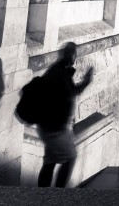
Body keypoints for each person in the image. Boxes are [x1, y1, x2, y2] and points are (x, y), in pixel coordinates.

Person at [37, 41, 94, 188]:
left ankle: (41, 196)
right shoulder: (59, 72)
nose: (75, 58)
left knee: (50, 161)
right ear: (71, 55)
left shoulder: (59, 69)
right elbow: (70, 93)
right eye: (74, 54)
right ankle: (59, 196)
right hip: (54, 127)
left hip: (49, 125)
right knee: (70, 158)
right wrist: (86, 81)